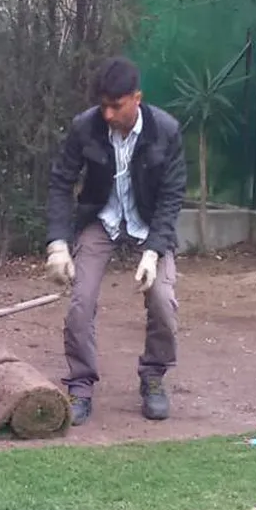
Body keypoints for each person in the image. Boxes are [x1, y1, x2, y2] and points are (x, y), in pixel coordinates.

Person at [44, 56, 187, 426]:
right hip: (102, 220)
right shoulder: (85, 128)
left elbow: (172, 196)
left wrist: (154, 251)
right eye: (103, 105)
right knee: (81, 300)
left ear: (136, 98)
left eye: (116, 106)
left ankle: (153, 377)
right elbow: (61, 182)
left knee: (162, 302)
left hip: (149, 223)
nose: (107, 114)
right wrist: (58, 243)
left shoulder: (166, 131)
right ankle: (80, 385)